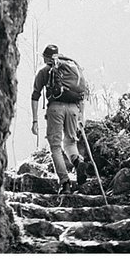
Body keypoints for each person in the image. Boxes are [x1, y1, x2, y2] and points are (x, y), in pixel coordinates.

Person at [31, 44, 88, 192]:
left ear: (45, 57)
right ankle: (77, 161)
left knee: (55, 147)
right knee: (69, 142)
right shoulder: (70, 69)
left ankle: (65, 184)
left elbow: (35, 95)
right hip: (73, 108)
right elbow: (81, 95)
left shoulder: (44, 71)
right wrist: (81, 116)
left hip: (55, 108)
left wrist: (35, 120)